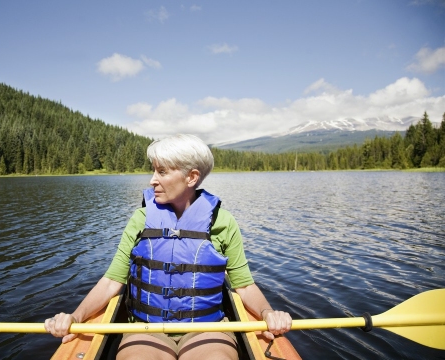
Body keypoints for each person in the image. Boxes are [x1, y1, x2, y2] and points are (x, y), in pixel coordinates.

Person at [45, 134, 292, 360]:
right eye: (154, 171)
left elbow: (245, 285)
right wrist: (75, 317)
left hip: (205, 330)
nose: (153, 180)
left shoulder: (223, 222)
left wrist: (268, 313)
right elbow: (112, 281)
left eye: (162, 172)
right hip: (147, 329)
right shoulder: (140, 218)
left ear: (191, 177)